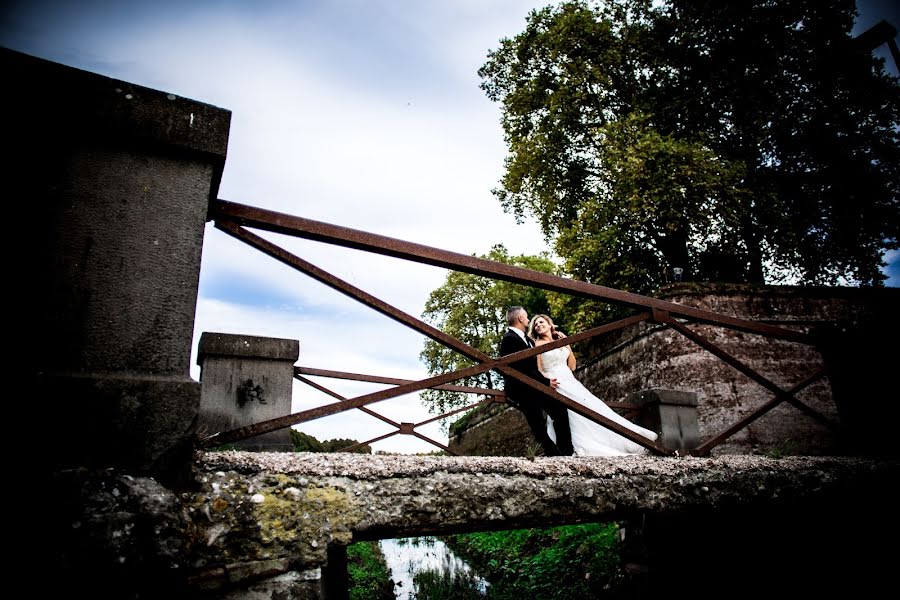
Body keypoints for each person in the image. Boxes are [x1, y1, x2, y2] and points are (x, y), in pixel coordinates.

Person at [528, 313, 659, 456]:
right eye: (535, 325)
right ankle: (569, 447)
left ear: (549, 324)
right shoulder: (538, 344)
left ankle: (627, 438)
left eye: (541, 322)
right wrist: (546, 382)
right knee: (568, 414)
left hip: (570, 380)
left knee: (592, 408)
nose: (538, 325)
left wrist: (567, 345)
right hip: (556, 382)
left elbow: (572, 366)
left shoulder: (560, 341)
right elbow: (539, 369)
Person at [498, 306, 574, 456]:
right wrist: (545, 382)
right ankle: (552, 452)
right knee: (536, 421)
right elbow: (519, 368)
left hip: (534, 385)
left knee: (559, 411)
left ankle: (566, 451)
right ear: (520, 319)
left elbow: (534, 365)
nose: (528, 320)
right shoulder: (509, 339)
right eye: (526, 317)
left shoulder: (526, 339)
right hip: (521, 387)